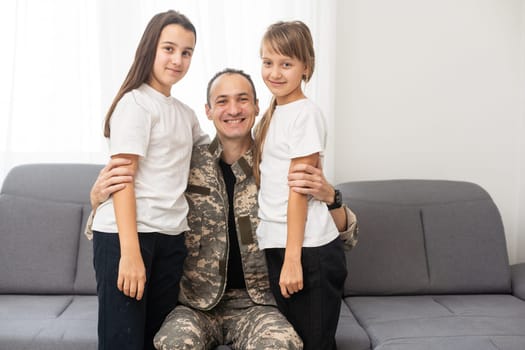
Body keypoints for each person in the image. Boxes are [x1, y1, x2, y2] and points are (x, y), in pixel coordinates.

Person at [88, 69, 358, 349]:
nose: (233, 110)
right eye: (222, 101)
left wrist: (331, 197)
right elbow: (146, 208)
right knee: (170, 344)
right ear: (208, 110)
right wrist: (97, 201)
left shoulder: (278, 159)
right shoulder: (186, 162)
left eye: (243, 100)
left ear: (256, 106)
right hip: (196, 307)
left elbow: (347, 238)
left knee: (281, 345)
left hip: (258, 306)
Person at [89, 10, 209, 350]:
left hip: (170, 237)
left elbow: (215, 155)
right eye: (169, 49)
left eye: (187, 52)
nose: (178, 60)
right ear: (150, 49)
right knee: (123, 342)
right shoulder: (136, 103)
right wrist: (129, 254)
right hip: (128, 236)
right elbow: (123, 181)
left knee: (156, 341)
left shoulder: (185, 114)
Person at [253, 21, 347, 349]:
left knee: (314, 343)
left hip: (308, 250)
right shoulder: (273, 114)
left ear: (306, 67)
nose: (275, 72)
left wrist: (293, 258)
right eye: (268, 62)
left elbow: (298, 189)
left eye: (286, 64)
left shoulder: (305, 113)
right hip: (282, 243)